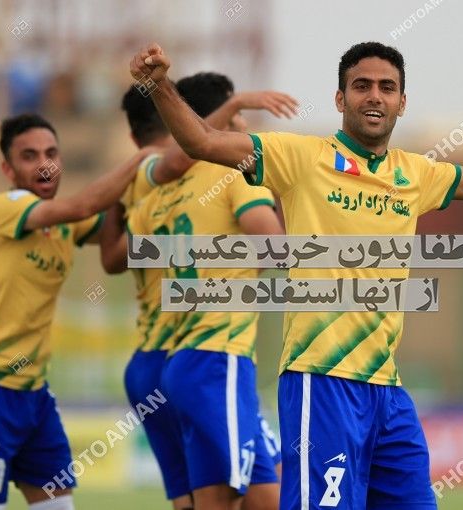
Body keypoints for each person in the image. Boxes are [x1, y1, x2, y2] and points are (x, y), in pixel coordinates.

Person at [130, 41, 463, 509]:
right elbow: (203, 142)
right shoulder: (300, 158)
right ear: (340, 99)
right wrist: (159, 85)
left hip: (387, 392)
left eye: (387, 87)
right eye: (362, 86)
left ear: (402, 102)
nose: (375, 95)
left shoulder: (414, 173)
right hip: (320, 380)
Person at [100, 75, 296, 509]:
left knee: (208, 498)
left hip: (159, 361)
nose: (244, 127)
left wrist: (116, 197)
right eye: (238, 117)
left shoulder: (151, 193)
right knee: (258, 494)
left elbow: (112, 258)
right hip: (213, 354)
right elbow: (277, 248)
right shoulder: (231, 174)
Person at [0, 112, 155, 510]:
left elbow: (118, 239)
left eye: (52, 154)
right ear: (8, 169)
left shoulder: (66, 224)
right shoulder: (5, 207)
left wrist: (189, 239)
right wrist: (142, 159)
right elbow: (85, 204)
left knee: (59, 506)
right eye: (29, 156)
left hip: (35, 395)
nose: (44, 164)